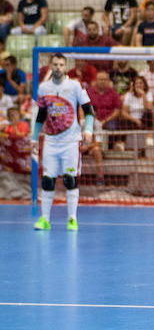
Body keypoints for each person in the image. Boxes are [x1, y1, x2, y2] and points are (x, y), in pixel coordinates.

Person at [32, 54, 94, 231]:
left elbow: (88, 110)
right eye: (55, 64)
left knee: (70, 179)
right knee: (47, 180)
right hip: (51, 141)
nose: (58, 67)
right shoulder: (44, 88)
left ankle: (72, 219)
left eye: (61, 64)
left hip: (70, 141)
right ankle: (45, 220)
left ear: (65, 67)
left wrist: (88, 130)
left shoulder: (75, 85)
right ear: (50, 66)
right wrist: (33, 137)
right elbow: (40, 115)